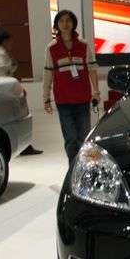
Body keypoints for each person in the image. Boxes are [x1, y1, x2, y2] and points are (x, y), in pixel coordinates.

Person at [43, 10, 101, 163]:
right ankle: (73, 168)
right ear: (57, 24)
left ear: (73, 23)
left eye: (68, 20)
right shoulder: (51, 48)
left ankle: (84, 168)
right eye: (61, 21)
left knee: (84, 137)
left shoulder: (83, 45)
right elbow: (48, 74)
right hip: (63, 101)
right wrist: (46, 99)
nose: (65, 24)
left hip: (83, 99)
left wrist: (96, 92)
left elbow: (92, 69)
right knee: (71, 139)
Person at [0, 30, 43, 155]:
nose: (11, 43)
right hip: (1, 92)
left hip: (2, 92)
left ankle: (23, 145)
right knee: (13, 118)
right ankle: (22, 145)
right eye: (9, 40)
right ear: (5, 41)